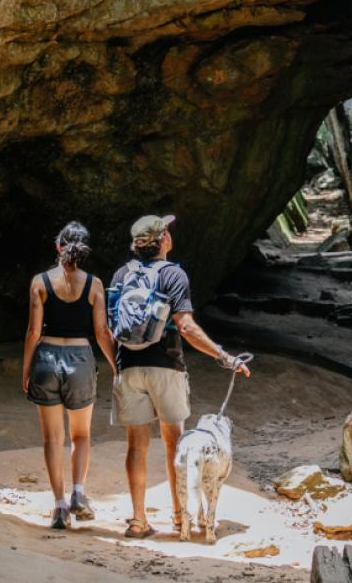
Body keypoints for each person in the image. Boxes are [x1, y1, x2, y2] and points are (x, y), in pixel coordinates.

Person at [109, 214, 251, 540]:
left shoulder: (122, 273)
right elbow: (185, 327)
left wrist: (116, 364)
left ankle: (138, 520)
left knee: (136, 446)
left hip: (128, 366)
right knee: (176, 447)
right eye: (167, 232)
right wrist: (223, 355)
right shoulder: (173, 274)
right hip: (166, 366)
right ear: (163, 241)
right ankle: (178, 517)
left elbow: (108, 325)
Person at [23, 221, 116, 530]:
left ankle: (60, 507)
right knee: (81, 435)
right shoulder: (94, 285)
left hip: (46, 359)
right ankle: (78, 492)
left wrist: (26, 370)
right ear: (85, 252)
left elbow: (33, 331)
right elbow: (102, 332)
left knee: (52, 438)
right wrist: (118, 367)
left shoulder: (40, 281)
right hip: (80, 358)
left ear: (57, 247)